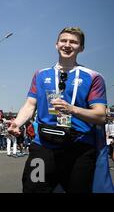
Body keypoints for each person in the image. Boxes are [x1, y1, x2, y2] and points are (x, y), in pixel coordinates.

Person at [8, 27, 107, 193]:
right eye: (64, 41)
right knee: (33, 189)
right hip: (44, 146)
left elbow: (100, 115)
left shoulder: (93, 77)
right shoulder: (40, 74)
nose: (67, 45)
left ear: (81, 48)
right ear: (56, 45)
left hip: (79, 147)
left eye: (73, 42)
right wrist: (17, 123)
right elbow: (30, 105)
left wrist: (72, 109)